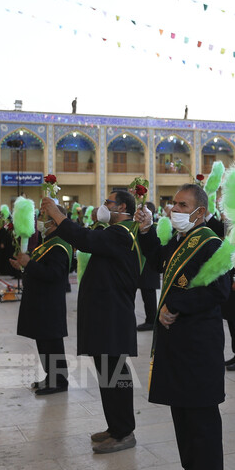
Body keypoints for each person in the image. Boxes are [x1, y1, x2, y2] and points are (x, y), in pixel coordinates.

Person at [137, 184, 229, 470]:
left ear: (200, 212)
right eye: (173, 203)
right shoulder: (180, 240)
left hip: (198, 342)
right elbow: (157, 260)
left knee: (201, 415)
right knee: (181, 411)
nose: (174, 209)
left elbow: (218, 292)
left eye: (182, 204)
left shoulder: (212, 244)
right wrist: (146, 230)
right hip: (175, 339)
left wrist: (175, 304)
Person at [41, 190, 142, 454]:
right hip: (105, 314)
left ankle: (124, 432)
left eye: (108, 202)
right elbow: (90, 237)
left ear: (121, 207)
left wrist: (57, 216)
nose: (103, 205)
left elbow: (85, 239)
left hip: (113, 315)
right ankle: (115, 427)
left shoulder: (122, 233)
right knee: (107, 372)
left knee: (115, 373)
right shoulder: (114, 233)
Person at [10, 212, 72, 395]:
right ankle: (50, 377)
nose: (39, 221)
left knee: (52, 342)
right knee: (43, 342)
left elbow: (54, 274)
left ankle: (59, 381)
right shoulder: (48, 241)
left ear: (53, 221)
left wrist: (29, 264)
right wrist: (23, 266)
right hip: (41, 300)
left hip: (50, 302)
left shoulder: (59, 245)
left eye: (44, 217)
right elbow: (40, 267)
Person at [136, 201, 161, 332]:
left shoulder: (155, 227)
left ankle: (151, 320)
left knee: (149, 294)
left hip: (149, 265)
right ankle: (150, 319)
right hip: (143, 265)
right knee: (146, 294)